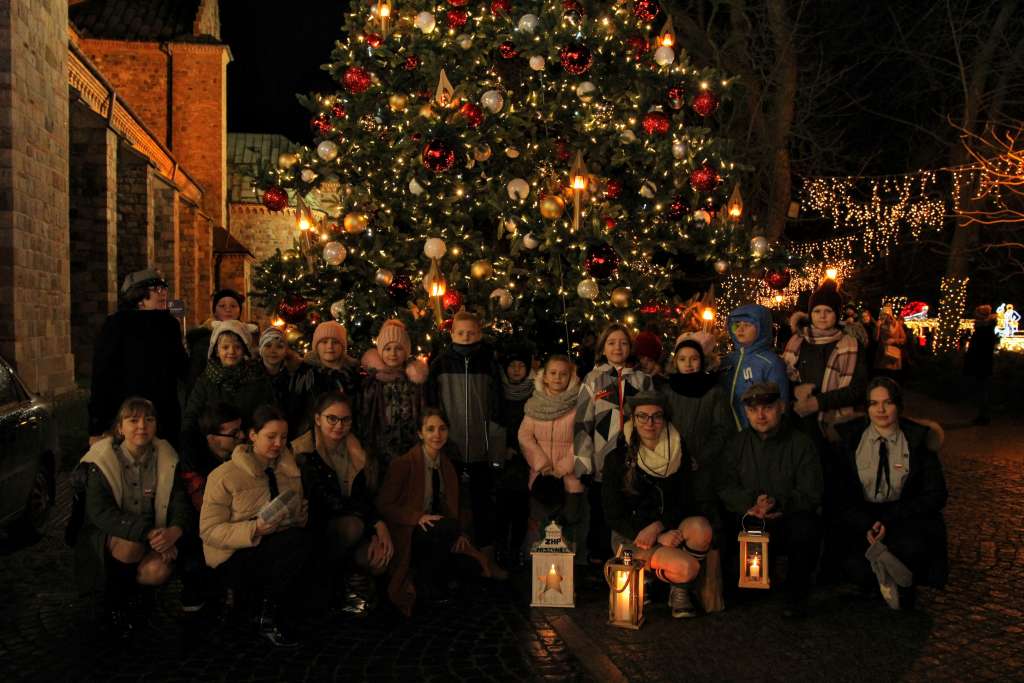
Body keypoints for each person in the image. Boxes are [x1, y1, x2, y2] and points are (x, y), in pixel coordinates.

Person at [72, 397, 190, 633]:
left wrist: (174, 531)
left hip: (154, 534)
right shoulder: (101, 462)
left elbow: (179, 500)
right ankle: (115, 603)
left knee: (158, 570)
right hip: (110, 536)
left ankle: (139, 598)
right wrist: (149, 533)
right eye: (133, 420)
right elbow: (101, 512)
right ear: (120, 428)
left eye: (149, 420)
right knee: (131, 545)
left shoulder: (167, 458)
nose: (142, 426)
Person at [199, 405, 310, 648]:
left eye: (283, 437)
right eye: (271, 437)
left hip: (276, 544)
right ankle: (264, 616)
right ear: (252, 435)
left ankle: (272, 613)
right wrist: (254, 529)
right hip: (232, 553)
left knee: (302, 542)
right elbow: (208, 530)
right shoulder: (224, 475)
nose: (278, 444)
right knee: (294, 545)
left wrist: (299, 516)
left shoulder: (289, 470)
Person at [834, 378, 948, 609]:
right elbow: (838, 491)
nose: (881, 410)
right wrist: (865, 522)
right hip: (862, 516)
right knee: (854, 563)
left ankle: (903, 584)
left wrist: (890, 519)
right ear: (867, 408)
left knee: (910, 547)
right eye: (874, 403)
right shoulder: (850, 440)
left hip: (903, 515)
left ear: (899, 406)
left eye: (888, 403)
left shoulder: (917, 441)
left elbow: (935, 493)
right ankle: (869, 584)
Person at [716, 383, 823, 618]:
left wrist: (778, 503)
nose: (761, 415)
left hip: (787, 518)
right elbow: (725, 485)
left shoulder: (800, 443)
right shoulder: (737, 444)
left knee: (806, 528)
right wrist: (750, 503)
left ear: (781, 407)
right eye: (753, 410)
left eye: (767, 408)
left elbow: (811, 491)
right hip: (750, 519)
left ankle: (796, 596)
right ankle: (749, 584)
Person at [602, 392, 713, 619]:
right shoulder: (617, 458)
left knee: (701, 529)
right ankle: (648, 576)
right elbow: (613, 514)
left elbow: (686, 500)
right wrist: (653, 533)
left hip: (666, 526)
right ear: (633, 419)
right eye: (642, 416)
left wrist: (660, 527)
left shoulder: (678, 452)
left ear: (665, 419)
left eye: (656, 416)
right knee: (687, 568)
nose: (649, 423)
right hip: (632, 534)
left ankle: (678, 592)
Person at [375, 409, 493, 616]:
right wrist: (417, 517)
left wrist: (459, 534)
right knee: (446, 529)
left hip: (441, 533)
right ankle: (426, 584)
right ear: (420, 433)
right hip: (411, 532)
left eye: (442, 429)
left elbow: (456, 508)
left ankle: (433, 582)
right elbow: (384, 505)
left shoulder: (447, 466)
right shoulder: (404, 464)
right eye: (430, 429)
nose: (437, 435)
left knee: (472, 566)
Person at [294, 392, 393, 614]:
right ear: (317, 418)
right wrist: (375, 523)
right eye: (332, 418)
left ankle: (356, 585)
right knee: (352, 527)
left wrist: (377, 529)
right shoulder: (303, 453)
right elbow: (327, 501)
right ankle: (339, 583)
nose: (339, 426)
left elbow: (364, 497)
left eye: (345, 419)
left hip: (355, 522)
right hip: (317, 528)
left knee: (380, 556)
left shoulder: (357, 451)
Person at [426, 310, 506, 578]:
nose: (466, 337)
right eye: (461, 333)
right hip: (450, 448)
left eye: (471, 333)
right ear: (452, 334)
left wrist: (496, 451)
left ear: (479, 333)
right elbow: (432, 405)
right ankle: (452, 562)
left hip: (483, 450)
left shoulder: (489, 363)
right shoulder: (440, 364)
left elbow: (497, 408)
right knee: (451, 503)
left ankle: (487, 560)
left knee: (484, 505)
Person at [575, 323, 654, 563]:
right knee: (602, 513)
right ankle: (600, 562)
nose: (617, 348)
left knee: (631, 509)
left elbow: (653, 417)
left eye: (623, 343)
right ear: (603, 348)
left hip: (636, 459)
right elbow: (582, 424)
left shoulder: (642, 380)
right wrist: (583, 464)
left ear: (630, 347)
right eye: (611, 343)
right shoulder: (593, 379)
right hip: (603, 460)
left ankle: (631, 561)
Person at [88, 269, 188, 447]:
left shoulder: (169, 325)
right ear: (139, 297)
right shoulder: (116, 325)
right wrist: (97, 426)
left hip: (162, 415)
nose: (163, 293)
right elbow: (102, 376)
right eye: (156, 289)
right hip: (126, 413)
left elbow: (182, 369)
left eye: (164, 288)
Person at [658, 332, 732, 531]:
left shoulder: (714, 392)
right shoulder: (666, 391)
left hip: (703, 466)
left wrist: (701, 457)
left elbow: (722, 430)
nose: (688, 364)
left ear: (702, 360)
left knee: (705, 519)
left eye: (694, 359)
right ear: (675, 362)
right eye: (682, 359)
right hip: (672, 463)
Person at [782, 280, 868, 446]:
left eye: (828, 311)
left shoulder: (851, 345)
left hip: (837, 426)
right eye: (817, 311)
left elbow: (858, 388)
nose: (822, 316)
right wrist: (795, 390)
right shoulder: (797, 341)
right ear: (810, 314)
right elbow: (784, 377)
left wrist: (819, 402)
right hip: (800, 421)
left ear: (837, 314)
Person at [177, 402, 245, 612]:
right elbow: (201, 508)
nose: (242, 436)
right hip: (199, 531)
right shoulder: (194, 465)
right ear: (212, 438)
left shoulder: (242, 456)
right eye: (234, 433)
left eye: (241, 429)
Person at [181, 320, 274, 468]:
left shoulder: (257, 378)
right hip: (211, 452)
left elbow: (266, 412)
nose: (231, 351)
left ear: (245, 350)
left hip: (248, 448)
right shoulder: (205, 380)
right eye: (225, 347)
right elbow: (192, 414)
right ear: (216, 350)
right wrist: (190, 445)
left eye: (237, 347)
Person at [519, 355, 585, 549]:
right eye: (553, 373)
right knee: (542, 527)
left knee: (569, 525)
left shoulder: (578, 405)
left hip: (570, 477)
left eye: (563, 374)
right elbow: (524, 436)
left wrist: (564, 467)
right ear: (545, 377)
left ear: (570, 377)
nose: (557, 378)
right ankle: (542, 565)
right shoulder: (535, 405)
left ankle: (568, 566)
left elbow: (582, 437)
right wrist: (542, 463)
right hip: (542, 477)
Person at [358, 319, 428, 472]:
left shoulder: (414, 380)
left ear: (406, 351)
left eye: (398, 348)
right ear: (380, 351)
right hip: (381, 446)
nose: (393, 353)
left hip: (410, 444)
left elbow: (422, 410)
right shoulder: (374, 382)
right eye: (388, 348)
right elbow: (366, 414)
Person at [720, 304, 790, 431]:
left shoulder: (770, 362)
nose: (740, 329)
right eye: (736, 325)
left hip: (759, 432)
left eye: (747, 325)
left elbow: (781, 402)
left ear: (761, 328)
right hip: (728, 434)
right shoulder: (727, 361)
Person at [289, 321, 361, 440]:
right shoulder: (305, 373)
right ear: (316, 346)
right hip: (311, 436)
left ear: (343, 346)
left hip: (347, 436)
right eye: (324, 342)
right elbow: (295, 409)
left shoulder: (352, 374)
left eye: (335, 342)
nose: (329, 346)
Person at [496, 345, 534, 568]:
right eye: (512, 365)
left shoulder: (534, 392)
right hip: (503, 458)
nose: (517, 369)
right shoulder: (498, 391)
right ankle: (501, 548)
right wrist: (502, 448)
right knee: (502, 506)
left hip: (526, 457)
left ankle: (517, 549)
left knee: (521, 507)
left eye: (521, 365)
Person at [185, 289, 256, 393]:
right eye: (222, 306)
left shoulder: (248, 337)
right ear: (215, 310)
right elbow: (194, 379)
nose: (228, 309)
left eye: (233, 306)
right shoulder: (202, 342)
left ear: (239, 310)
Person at [964, 305, 998, 425]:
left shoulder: (983, 330)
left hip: (981, 363)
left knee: (983, 389)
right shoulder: (986, 329)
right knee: (983, 389)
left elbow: (979, 348)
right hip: (984, 363)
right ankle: (983, 414)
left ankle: (984, 416)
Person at [874, 307, 908, 382]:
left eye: (885, 314)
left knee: (893, 375)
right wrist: (877, 327)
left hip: (894, 352)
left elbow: (904, 338)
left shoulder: (897, 325)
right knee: (883, 375)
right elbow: (876, 339)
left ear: (890, 315)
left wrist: (894, 340)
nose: (884, 316)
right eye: (882, 314)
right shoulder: (880, 325)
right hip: (883, 352)